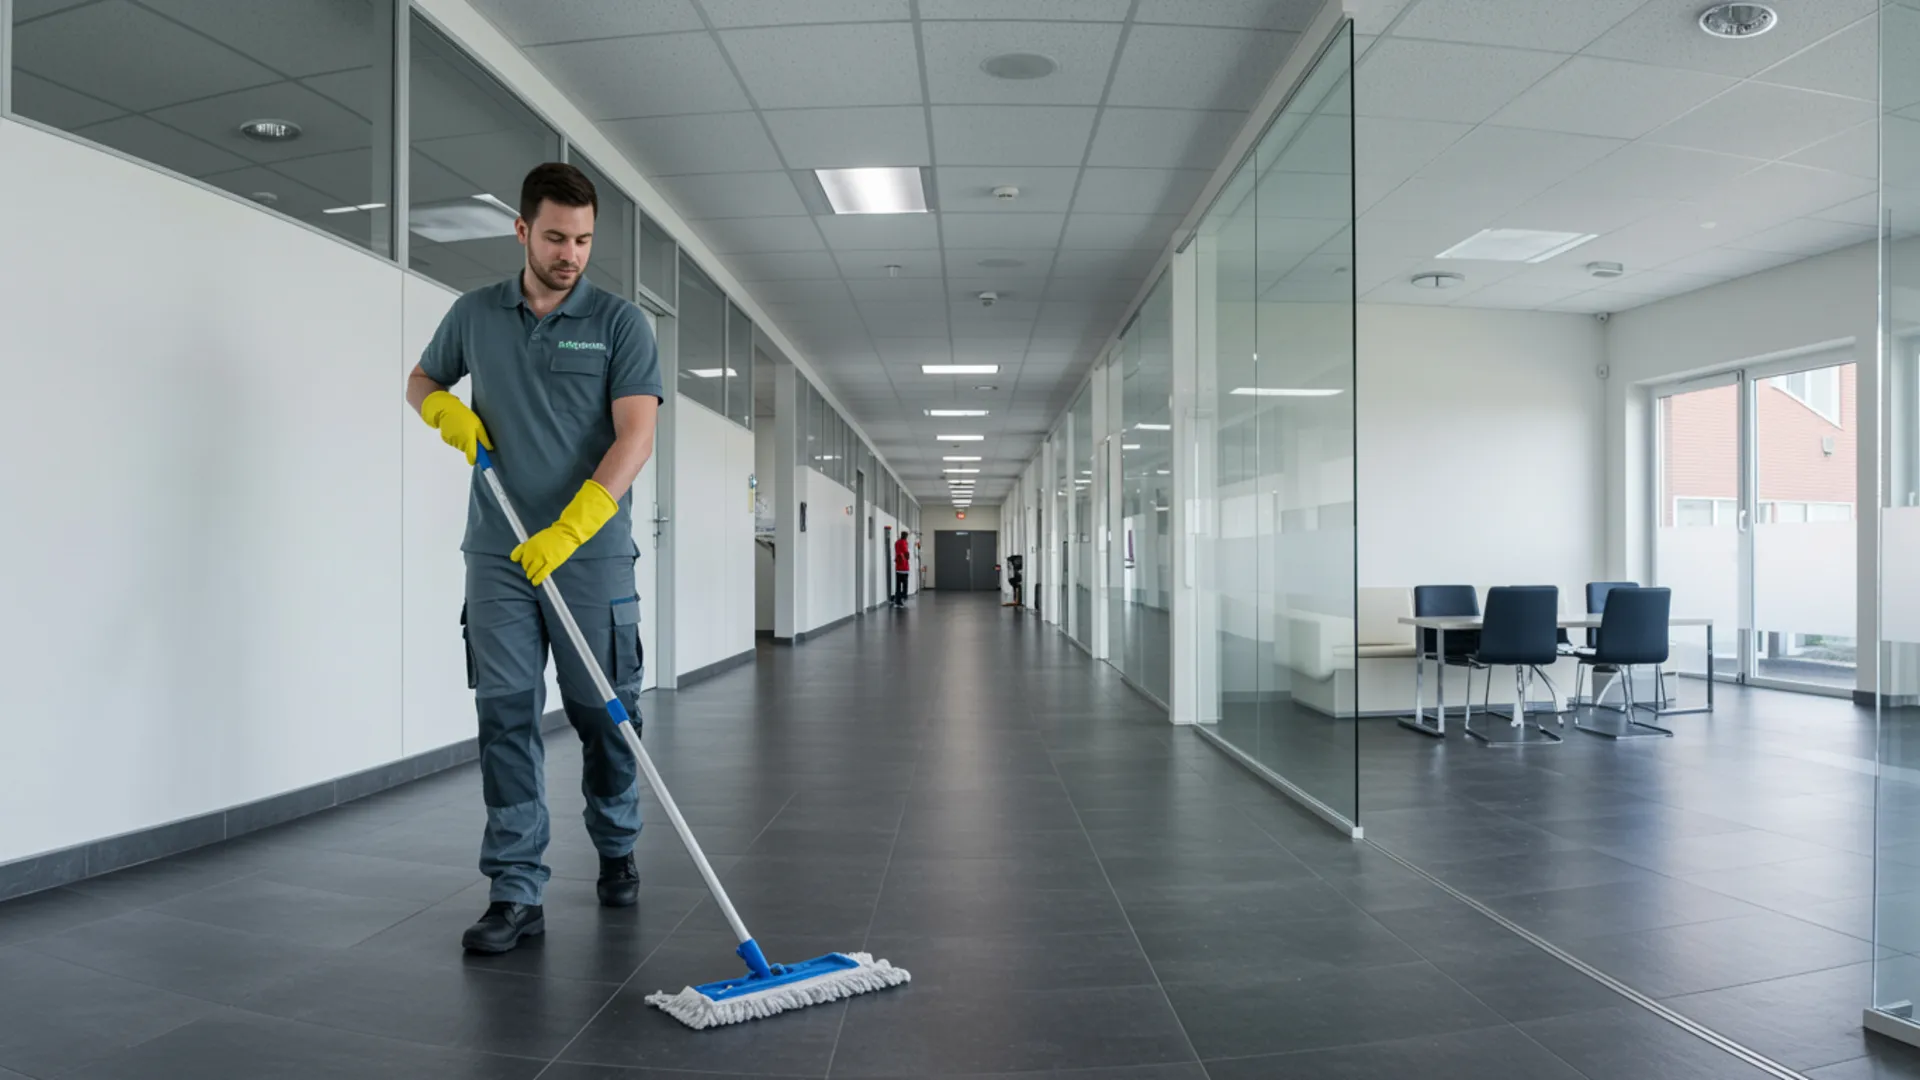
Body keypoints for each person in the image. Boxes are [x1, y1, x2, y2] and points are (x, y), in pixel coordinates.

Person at [404, 163, 663, 955]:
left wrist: (579, 521)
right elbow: (419, 381)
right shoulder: (475, 315)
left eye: (584, 239)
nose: (571, 254)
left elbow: (635, 436)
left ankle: (617, 845)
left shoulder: (620, 324)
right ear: (521, 230)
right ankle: (515, 889)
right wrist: (442, 408)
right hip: (500, 551)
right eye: (555, 237)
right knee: (506, 712)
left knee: (602, 713)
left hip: (590, 556)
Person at [893, 531, 912, 606]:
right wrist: (907, 556)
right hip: (904, 568)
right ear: (906, 536)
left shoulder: (897, 542)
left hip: (898, 567)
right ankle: (901, 597)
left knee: (898, 585)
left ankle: (897, 599)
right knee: (905, 586)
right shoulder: (904, 542)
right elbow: (906, 554)